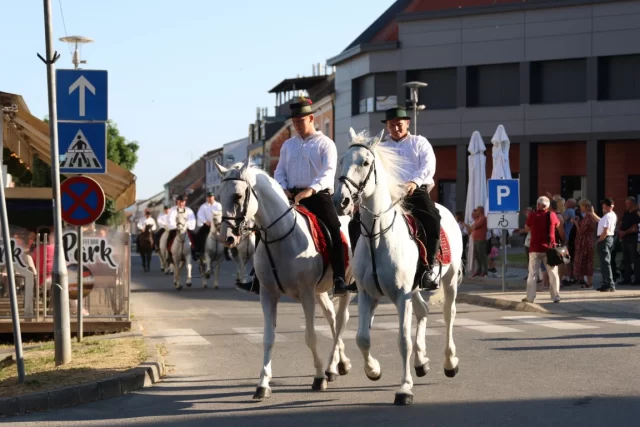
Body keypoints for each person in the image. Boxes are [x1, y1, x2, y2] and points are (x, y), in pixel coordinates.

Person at [236, 96, 352, 296]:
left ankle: (339, 278)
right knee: (266, 228)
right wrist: (282, 188)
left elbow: (328, 172)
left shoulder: (326, 144)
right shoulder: (288, 145)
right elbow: (279, 171)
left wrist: (311, 189)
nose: (297, 125)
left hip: (318, 195)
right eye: (295, 121)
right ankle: (256, 277)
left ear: (311, 118)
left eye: (301, 121)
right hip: (290, 196)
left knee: (334, 229)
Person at [349, 106, 441, 290]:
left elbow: (428, 166)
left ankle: (428, 268)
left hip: (414, 191)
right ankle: (357, 270)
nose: (395, 128)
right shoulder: (381, 147)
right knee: (355, 223)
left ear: (407, 123)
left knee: (432, 218)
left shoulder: (419, 142)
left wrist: (414, 182)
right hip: (388, 195)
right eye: (391, 125)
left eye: (399, 124)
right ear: (387, 126)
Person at [522, 196, 561, 304]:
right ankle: (555, 296)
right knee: (553, 273)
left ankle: (530, 297)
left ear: (538, 205)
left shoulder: (532, 215)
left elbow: (527, 228)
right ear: (547, 206)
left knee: (532, 274)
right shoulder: (552, 215)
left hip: (535, 248)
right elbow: (558, 225)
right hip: (549, 249)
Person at [195, 192, 231, 261]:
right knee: (199, 235)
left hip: (218, 225)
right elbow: (200, 215)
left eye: (211, 197)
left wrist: (219, 222)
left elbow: (222, 214)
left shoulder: (218, 205)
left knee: (226, 234)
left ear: (213, 197)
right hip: (207, 225)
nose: (210, 198)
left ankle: (226, 252)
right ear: (206, 198)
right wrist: (205, 221)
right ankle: (200, 251)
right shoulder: (203, 206)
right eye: (208, 197)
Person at [166, 196, 197, 263]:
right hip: (176, 228)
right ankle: (169, 254)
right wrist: (176, 226)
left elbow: (192, 220)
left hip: (186, 228)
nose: (181, 203)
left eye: (182, 202)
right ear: (177, 202)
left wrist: (186, 225)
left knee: (194, 236)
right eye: (179, 202)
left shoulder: (189, 210)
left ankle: (194, 252)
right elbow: (171, 219)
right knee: (170, 237)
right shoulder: (173, 210)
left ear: (185, 202)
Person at [597, 198, 617, 292]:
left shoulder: (608, 215)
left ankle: (609, 284)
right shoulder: (612, 215)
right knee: (605, 262)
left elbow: (605, 231)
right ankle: (606, 283)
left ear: (606, 206)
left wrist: (600, 240)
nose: (602, 207)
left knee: (605, 262)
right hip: (608, 238)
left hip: (605, 239)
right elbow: (600, 221)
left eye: (604, 205)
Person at [618, 196, 640, 285]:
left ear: (633, 204)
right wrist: (620, 231)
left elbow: (635, 228)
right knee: (626, 259)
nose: (626, 205)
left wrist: (625, 232)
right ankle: (627, 278)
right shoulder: (626, 212)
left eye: (628, 203)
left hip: (633, 239)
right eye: (626, 203)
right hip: (625, 239)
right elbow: (622, 222)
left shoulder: (636, 214)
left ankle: (638, 279)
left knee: (635, 259)